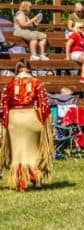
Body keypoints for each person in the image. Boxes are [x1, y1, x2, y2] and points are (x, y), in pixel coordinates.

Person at [0, 59, 53, 191]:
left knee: (18, 152)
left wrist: (5, 122)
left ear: (17, 70)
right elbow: (44, 104)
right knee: (32, 151)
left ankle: (21, 183)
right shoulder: (37, 83)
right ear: (29, 69)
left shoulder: (10, 84)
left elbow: (3, 105)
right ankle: (35, 177)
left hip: (15, 119)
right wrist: (45, 123)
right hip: (31, 117)